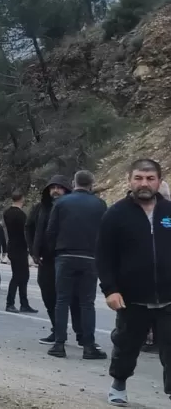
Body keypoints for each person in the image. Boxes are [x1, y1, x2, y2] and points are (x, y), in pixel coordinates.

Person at [96, 159, 171, 406]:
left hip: (169, 297)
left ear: (159, 181)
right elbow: (104, 256)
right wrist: (110, 289)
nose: (144, 183)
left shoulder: (169, 212)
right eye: (138, 178)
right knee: (126, 346)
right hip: (132, 298)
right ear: (130, 180)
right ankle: (119, 383)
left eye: (150, 178)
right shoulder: (115, 214)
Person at [45, 169, 108, 360]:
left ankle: (59, 344)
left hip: (65, 255)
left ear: (74, 183)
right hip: (90, 258)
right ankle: (89, 346)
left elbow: (51, 231)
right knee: (87, 302)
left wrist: (53, 251)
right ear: (92, 184)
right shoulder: (100, 204)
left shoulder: (62, 203)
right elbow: (106, 232)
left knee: (62, 300)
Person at [30, 175, 83, 346]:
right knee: (49, 296)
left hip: (68, 258)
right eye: (52, 188)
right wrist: (33, 250)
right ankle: (57, 330)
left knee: (75, 298)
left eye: (59, 187)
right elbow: (29, 228)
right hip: (47, 261)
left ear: (67, 189)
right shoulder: (40, 208)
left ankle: (82, 334)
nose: (55, 191)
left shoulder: (75, 207)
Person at [2, 191, 36, 314]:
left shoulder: (7, 213)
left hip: (12, 245)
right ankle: (10, 303)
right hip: (20, 247)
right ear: (22, 199)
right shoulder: (21, 215)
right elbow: (25, 232)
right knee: (18, 276)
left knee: (22, 275)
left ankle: (24, 303)